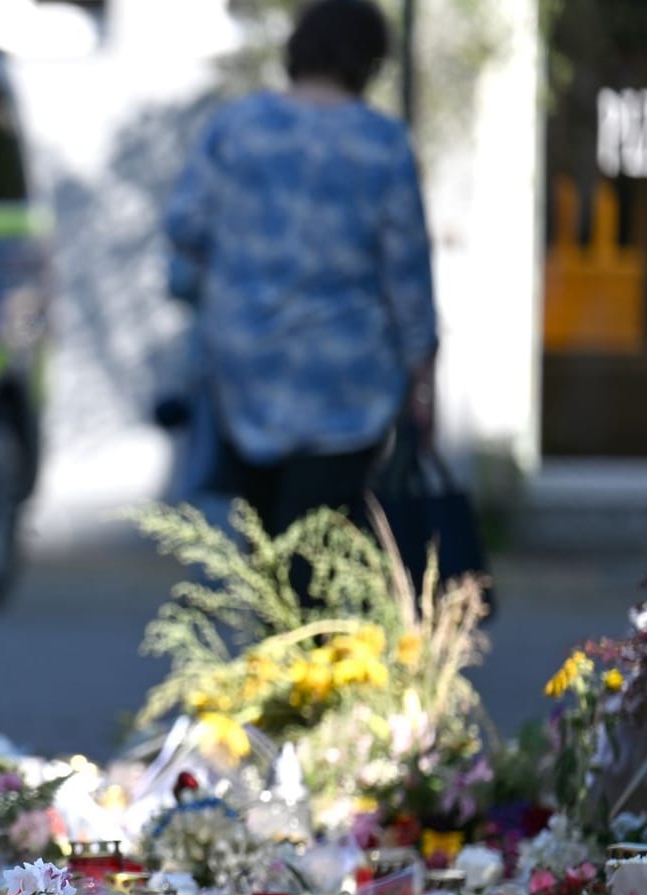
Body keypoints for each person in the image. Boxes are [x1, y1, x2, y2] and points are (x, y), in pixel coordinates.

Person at [163, 0, 438, 540]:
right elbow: (406, 275)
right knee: (321, 551)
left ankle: (275, 624)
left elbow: (185, 227)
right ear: (368, 61)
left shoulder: (235, 129)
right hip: (347, 383)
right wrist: (422, 380)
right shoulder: (382, 145)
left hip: (245, 374)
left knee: (263, 547)